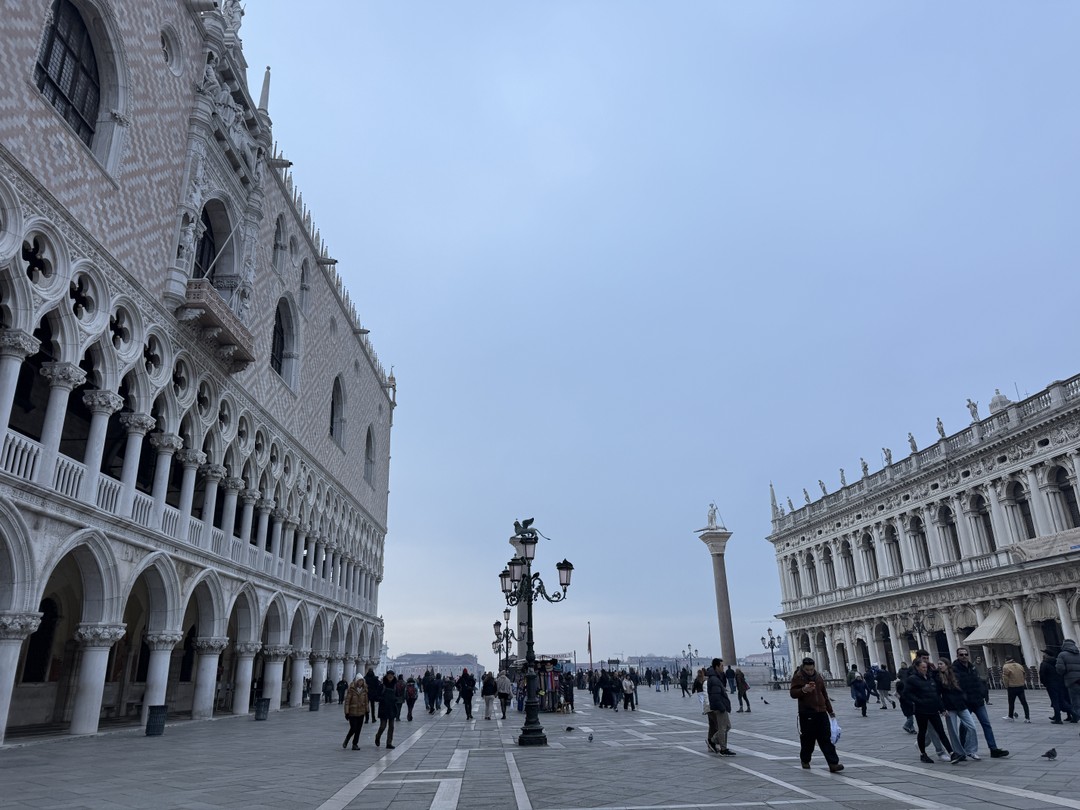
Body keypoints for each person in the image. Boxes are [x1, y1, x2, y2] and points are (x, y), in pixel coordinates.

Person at [954, 646, 1009, 758]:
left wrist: (982, 693)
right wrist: (962, 698)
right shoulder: (954, 668)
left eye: (966, 654)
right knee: (964, 726)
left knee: (986, 724)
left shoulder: (972, 667)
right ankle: (962, 750)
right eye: (961, 655)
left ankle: (993, 749)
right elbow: (956, 685)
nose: (964, 656)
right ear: (957, 656)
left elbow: (978, 681)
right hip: (966, 702)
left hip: (978, 701)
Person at [790, 658, 843, 772]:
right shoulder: (798, 677)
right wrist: (803, 690)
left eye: (811, 669)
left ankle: (833, 763)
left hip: (821, 712)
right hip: (807, 712)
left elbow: (824, 693)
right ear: (803, 668)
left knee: (826, 739)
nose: (810, 672)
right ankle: (805, 759)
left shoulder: (818, 677)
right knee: (808, 739)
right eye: (807, 670)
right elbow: (793, 693)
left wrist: (830, 711)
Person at [907, 659, 962, 764]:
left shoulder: (930, 678)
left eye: (926, 667)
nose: (925, 669)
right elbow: (907, 694)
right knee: (922, 732)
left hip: (933, 709)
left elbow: (936, 695)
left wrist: (942, 708)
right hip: (921, 710)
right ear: (917, 667)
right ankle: (923, 753)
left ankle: (952, 753)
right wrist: (919, 701)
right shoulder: (912, 679)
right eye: (923, 667)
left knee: (941, 731)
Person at [937, 659, 981, 760]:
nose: (939, 666)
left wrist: (965, 700)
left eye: (941, 664)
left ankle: (971, 750)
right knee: (953, 731)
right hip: (949, 707)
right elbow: (937, 695)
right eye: (938, 664)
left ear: (947, 665)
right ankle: (959, 753)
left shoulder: (955, 675)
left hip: (961, 705)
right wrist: (942, 709)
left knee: (972, 726)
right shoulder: (938, 678)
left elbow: (963, 688)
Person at [706, 658, 735, 756]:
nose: (723, 668)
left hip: (722, 705)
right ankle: (721, 747)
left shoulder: (717, 677)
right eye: (722, 666)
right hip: (719, 706)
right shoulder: (714, 679)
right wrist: (721, 706)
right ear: (716, 667)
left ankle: (714, 741)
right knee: (723, 728)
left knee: (727, 726)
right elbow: (715, 695)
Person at [1039, 647, 1071, 724]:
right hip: (1060, 684)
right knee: (1062, 700)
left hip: (1051, 685)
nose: (1043, 655)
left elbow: (1042, 675)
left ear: (1047, 655)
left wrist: (1045, 683)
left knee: (1055, 701)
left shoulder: (1044, 663)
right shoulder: (1057, 662)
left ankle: (1059, 718)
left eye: (1044, 653)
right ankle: (1069, 714)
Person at [1056, 639, 1080, 724]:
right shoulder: (1079, 654)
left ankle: (1076, 716)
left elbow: (1060, 668)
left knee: (1075, 700)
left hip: (1071, 680)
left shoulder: (1062, 655)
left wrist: (1063, 674)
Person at [342, 676, 368, 750]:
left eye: (362, 681)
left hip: (361, 712)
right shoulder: (351, 690)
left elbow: (366, 702)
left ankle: (355, 744)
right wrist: (346, 713)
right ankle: (347, 739)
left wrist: (367, 711)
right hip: (352, 712)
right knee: (353, 728)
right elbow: (347, 702)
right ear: (356, 681)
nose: (360, 682)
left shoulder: (364, 690)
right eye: (359, 681)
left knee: (358, 729)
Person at [1001, 656, 1029, 722]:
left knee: (1011, 702)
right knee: (1024, 702)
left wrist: (1006, 685)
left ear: (1006, 660)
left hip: (1012, 686)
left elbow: (1005, 678)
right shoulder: (1019, 665)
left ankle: (1010, 716)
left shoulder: (1006, 666)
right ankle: (1027, 717)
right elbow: (1024, 674)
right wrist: (1022, 682)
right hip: (1021, 686)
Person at [374, 671, 398, 749]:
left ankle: (389, 743)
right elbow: (376, 696)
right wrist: (383, 699)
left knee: (391, 726)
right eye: (389, 675)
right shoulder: (382, 685)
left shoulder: (395, 686)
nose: (390, 676)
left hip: (392, 708)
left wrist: (395, 699)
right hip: (383, 708)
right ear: (387, 676)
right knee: (383, 726)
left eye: (392, 675)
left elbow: (398, 695)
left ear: (394, 676)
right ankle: (378, 736)